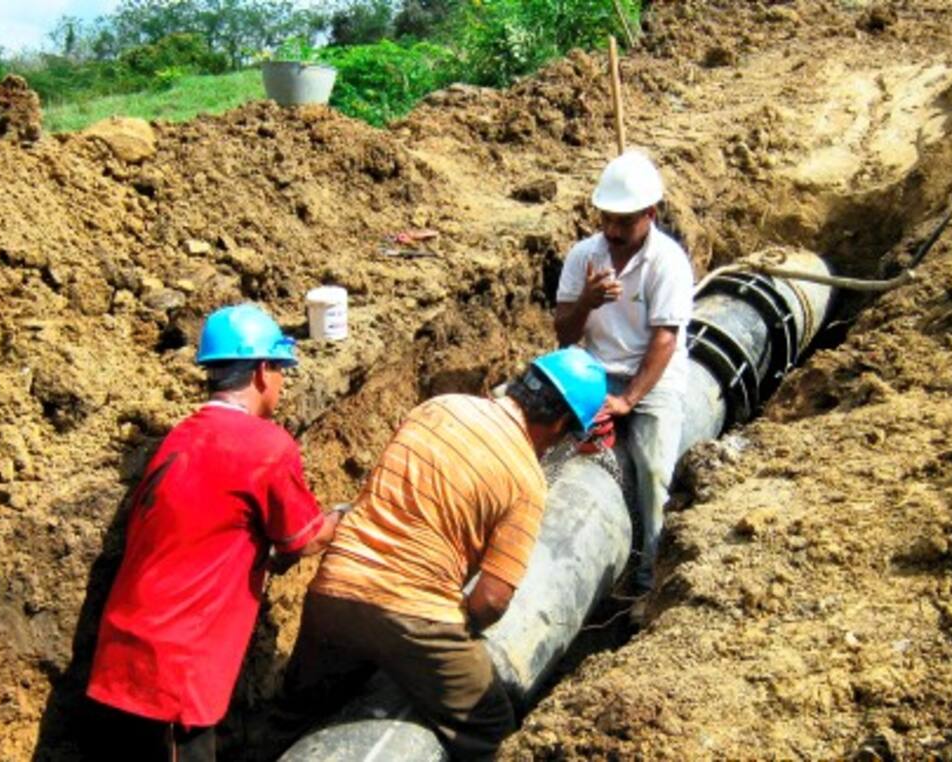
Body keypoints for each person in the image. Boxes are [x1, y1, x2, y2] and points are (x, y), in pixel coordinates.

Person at [270, 348, 607, 761]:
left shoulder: (437, 407)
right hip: (417, 614)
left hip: (334, 590)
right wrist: (447, 635)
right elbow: (492, 598)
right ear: (559, 424)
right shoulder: (526, 479)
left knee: (295, 711)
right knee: (491, 726)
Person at [86, 303, 342, 762]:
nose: (282, 384)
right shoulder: (267, 446)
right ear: (264, 372)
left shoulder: (182, 436)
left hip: (123, 661)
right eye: (281, 371)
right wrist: (344, 517)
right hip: (172, 682)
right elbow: (301, 539)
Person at [553, 149, 695, 594]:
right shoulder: (584, 256)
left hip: (652, 379)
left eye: (624, 221)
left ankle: (648, 577)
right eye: (606, 219)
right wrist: (586, 302)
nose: (612, 230)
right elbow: (563, 334)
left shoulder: (667, 262)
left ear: (649, 214)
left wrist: (628, 400)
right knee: (537, 424)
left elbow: (665, 340)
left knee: (653, 471)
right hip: (592, 369)